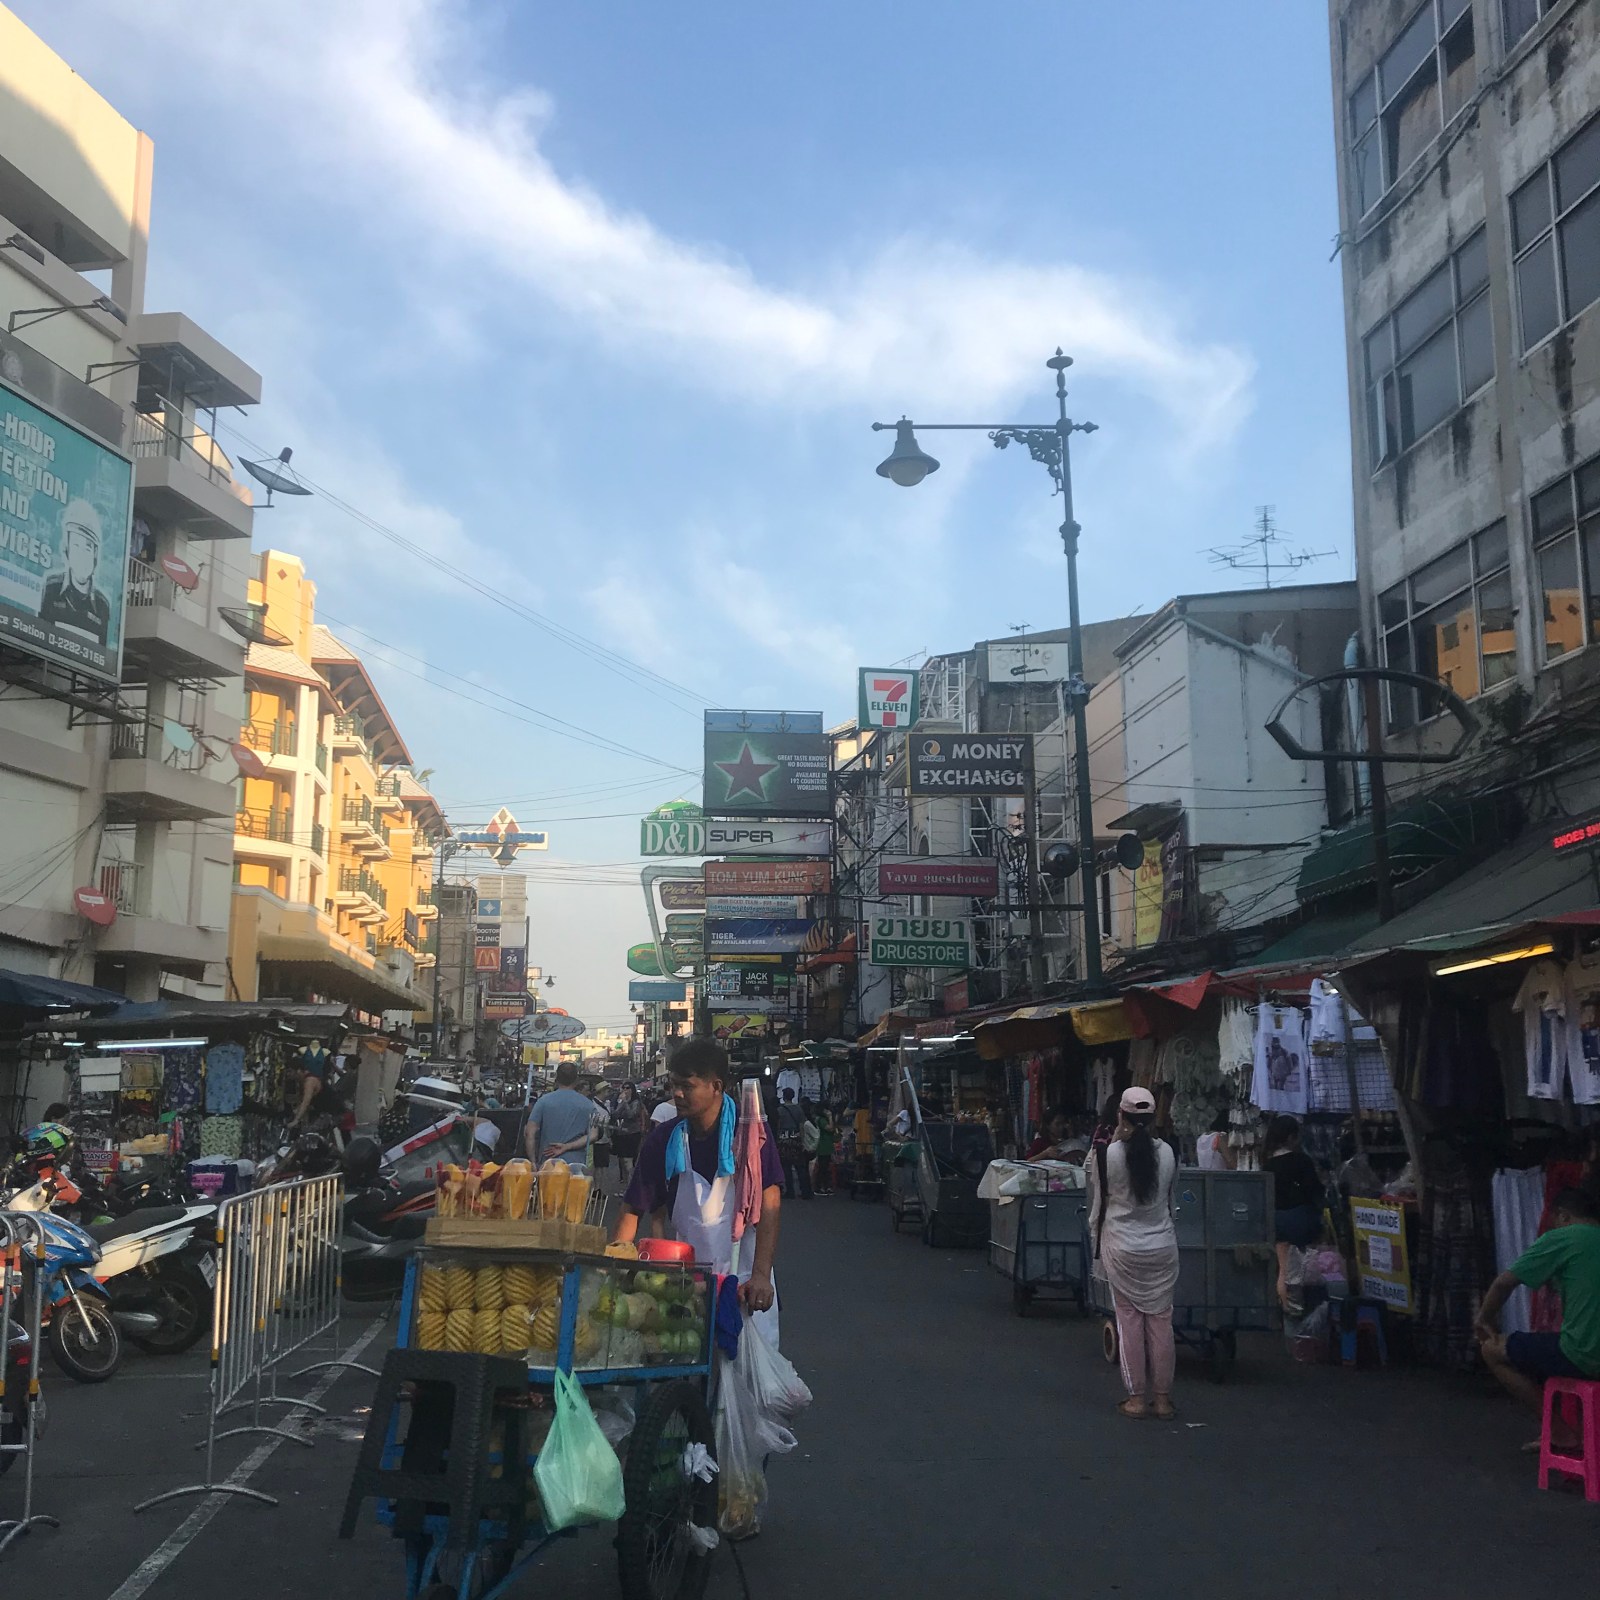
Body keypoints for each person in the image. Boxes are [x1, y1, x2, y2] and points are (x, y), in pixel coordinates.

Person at [613, 1038, 783, 1328]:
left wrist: (760, 1275)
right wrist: (614, 1266)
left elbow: (771, 1200)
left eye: (687, 1086)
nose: (677, 1094)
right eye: (673, 1085)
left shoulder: (748, 1135)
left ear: (716, 1086)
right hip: (686, 1286)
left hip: (745, 1283)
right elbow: (633, 1207)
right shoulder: (664, 1140)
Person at [1476, 1187, 1600, 1446]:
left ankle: (1560, 1432)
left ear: (1563, 1216)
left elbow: (1503, 1284)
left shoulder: (1565, 1237)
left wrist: (1484, 1319)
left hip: (1585, 1356)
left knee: (1493, 1350)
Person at [1088, 1087, 1180, 1421]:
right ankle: (1163, 1400)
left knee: (1128, 1322)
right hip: (1162, 1247)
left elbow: (1099, 1205)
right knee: (1162, 1322)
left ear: (1120, 1117)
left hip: (1122, 1247)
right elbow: (1171, 1203)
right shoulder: (1169, 1152)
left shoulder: (1105, 1156)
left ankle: (1137, 1399)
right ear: (1154, 1119)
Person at [1264, 1115, 1324, 1311]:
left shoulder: (1268, 1165)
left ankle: (1287, 1309)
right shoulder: (1302, 1161)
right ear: (1291, 1137)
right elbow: (1314, 1190)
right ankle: (1305, 1307)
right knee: (1305, 1268)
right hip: (1301, 1221)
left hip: (1277, 1221)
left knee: (1284, 1269)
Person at [38, 500, 112, 647]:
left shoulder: (102, 604)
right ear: (67, 550)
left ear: (95, 555)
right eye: (76, 546)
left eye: (87, 549)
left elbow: (101, 652)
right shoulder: (51, 587)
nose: (82, 556)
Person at [524, 1062, 594, 1166]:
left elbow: (529, 1133)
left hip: (548, 1165)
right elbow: (593, 1135)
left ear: (557, 1078)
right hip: (576, 1166)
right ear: (576, 1080)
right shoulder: (588, 1105)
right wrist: (567, 1146)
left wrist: (533, 1162)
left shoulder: (543, 1101)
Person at [775, 1087, 813, 1200]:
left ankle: (790, 1191)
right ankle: (805, 1191)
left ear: (783, 1096)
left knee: (786, 1166)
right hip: (796, 1139)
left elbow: (778, 1126)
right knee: (800, 1166)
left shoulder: (779, 1110)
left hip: (784, 1140)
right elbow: (802, 1126)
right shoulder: (799, 1109)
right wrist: (802, 1140)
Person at [612, 1084, 644, 1184]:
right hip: (621, 1133)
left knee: (628, 1160)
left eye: (628, 1088)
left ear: (632, 1090)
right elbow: (615, 1115)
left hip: (632, 1133)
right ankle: (626, 1183)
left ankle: (631, 1185)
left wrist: (625, 1102)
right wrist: (620, 1103)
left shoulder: (636, 1102)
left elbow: (631, 1115)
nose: (625, 1090)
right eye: (623, 1088)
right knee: (622, 1161)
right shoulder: (621, 1101)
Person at [811, 1104, 836, 1196]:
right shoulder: (821, 1120)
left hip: (825, 1145)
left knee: (824, 1167)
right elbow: (830, 1128)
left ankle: (825, 1186)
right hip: (823, 1145)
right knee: (823, 1168)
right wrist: (830, 1117)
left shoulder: (818, 1119)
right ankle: (819, 1187)